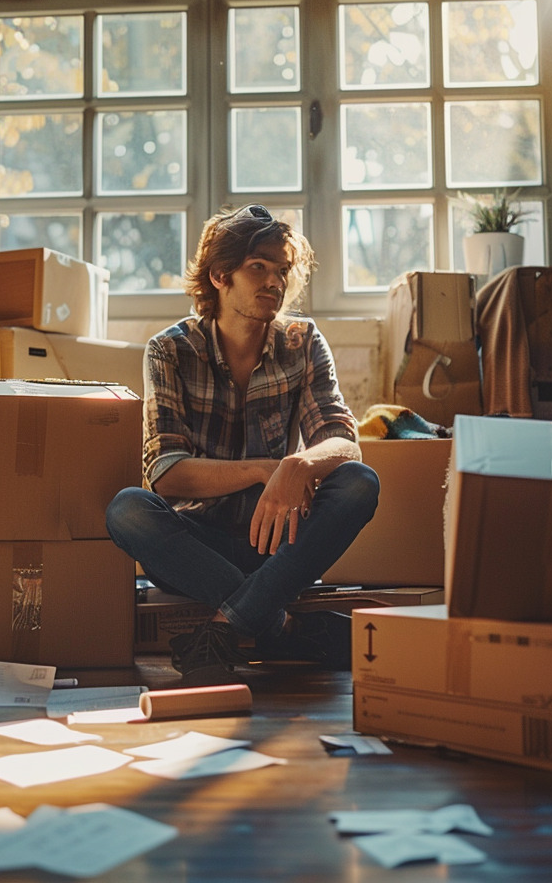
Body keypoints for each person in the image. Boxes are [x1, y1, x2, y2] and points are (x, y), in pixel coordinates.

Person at [105, 204, 381, 682]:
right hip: (197, 550)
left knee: (359, 482)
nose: (274, 281)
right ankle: (286, 628)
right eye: (259, 267)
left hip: (282, 543)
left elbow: (342, 440)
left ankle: (227, 626)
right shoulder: (170, 349)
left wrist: (299, 464)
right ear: (219, 275)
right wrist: (265, 470)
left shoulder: (303, 340)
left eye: (281, 270)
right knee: (128, 510)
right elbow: (167, 473)